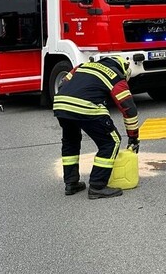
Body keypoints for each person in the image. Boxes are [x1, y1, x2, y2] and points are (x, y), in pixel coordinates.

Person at [53, 56, 140, 199]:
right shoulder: (115, 75)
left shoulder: (82, 66)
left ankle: (71, 183)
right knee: (111, 142)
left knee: (71, 141)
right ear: (123, 68)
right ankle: (97, 186)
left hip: (60, 103)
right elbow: (128, 108)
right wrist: (133, 137)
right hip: (84, 105)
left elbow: (63, 84)